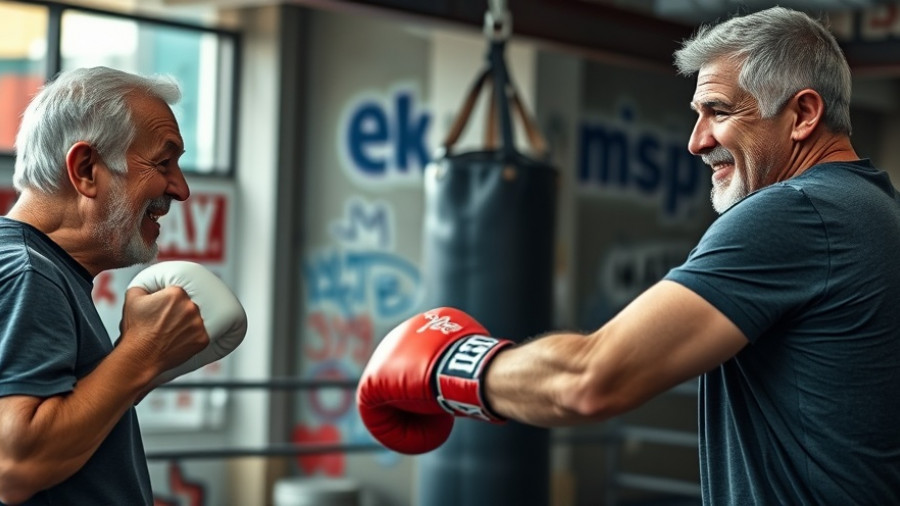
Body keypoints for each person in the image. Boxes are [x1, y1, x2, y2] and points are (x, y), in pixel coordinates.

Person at [357, 7, 900, 505]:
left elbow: (590, 380)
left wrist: (447, 368)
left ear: (803, 114)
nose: (695, 140)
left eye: (718, 111)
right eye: (696, 113)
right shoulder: (875, 209)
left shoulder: (797, 213)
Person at [0, 67, 209, 505]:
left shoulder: (44, 269)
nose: (181, 189)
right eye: (163, 162)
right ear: (86, 169)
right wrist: (141, 355)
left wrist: (137, 366)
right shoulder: (29, 273)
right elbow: (14, 466)